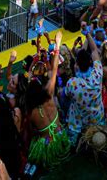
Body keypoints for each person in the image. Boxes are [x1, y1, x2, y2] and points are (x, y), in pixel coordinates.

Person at [26, 31, 70, 167]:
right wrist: (57, 44)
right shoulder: (49, 94)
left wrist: (33, 64)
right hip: (61, 137)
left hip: (47, 147)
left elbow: (31, 131)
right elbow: (55, 69)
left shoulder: (31, 111)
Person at [64, 32, 104, 144]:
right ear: (90, 62)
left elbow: (66, 96)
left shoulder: (72, 83)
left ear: (76, 64)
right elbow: (95, 51)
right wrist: (87, 33)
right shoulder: (97, 73)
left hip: (78, 122)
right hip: (97, 117)